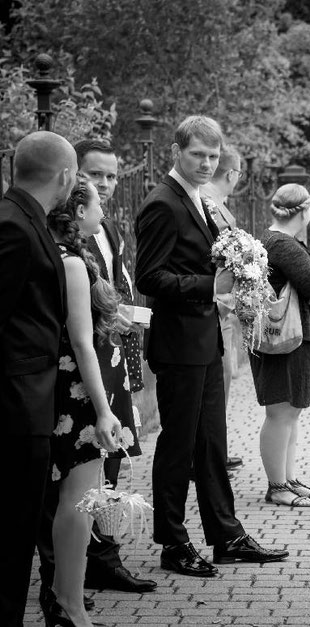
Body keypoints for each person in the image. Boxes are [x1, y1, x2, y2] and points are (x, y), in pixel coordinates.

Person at [135, 115, 287, 577]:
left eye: (213, 156)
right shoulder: (163, 203)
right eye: (198, 154)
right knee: (178, 447)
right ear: (176, 152)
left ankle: (226, 535)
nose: (206, 163)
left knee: (211, 446)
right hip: (179, 345)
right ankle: (173, 543)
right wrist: (211, 286)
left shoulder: (198, 200)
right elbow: (149, 277)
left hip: (205, 343)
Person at [35, 138, 158, 599]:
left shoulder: (109, 233)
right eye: (96, 177)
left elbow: (113, 289)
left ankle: (99, 561)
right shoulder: (66, 255)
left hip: (110, 363)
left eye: (111, 175)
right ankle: (63, 581)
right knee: (73, 487)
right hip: (82, 377)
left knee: (106, 473)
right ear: (74, 182)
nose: (106, 188)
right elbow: (78, 333)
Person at [42, 180, 141, 627]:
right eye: (98, 203)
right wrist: (104, 410)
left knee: (69, 499)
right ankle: (70, 606)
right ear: (78, 211)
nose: (105, 209)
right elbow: (81, 342)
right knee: (78, 502)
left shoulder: (45, 252)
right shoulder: (71, 263)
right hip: (79, 391)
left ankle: (64, 600)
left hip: (58, 385)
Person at [0, 131, 75, 627]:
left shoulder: (27, 217)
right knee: (12, 530)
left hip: (30, 395)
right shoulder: (13, 226)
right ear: (66, 177)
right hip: (15, 400)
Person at [249, 183, 310, 507]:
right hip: (287, 341)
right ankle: (277, 485)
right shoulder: (282, 244)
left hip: (290, 339)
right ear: (305, 211)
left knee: (290, 412)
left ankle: (288, 478)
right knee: (281, 412)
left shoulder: (271, 240)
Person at [201, 144, 244, 472]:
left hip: (222, 308)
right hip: (216, 307)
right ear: (232, 174)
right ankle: (209, 451)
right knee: (219, 381)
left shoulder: (213, 202)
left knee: (225, 378)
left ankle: (215, 447)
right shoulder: (210, 204)